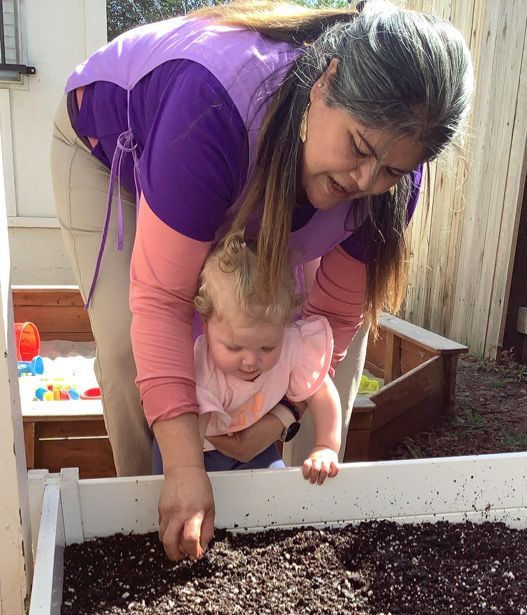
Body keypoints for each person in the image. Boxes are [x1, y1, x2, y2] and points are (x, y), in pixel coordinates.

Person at [51, 0, 473, 561]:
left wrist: (282, 417)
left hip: (258, 160)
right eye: (360, 148)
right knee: (134, 343)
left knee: (295, 334)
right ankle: (160, 516)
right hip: (115, 152)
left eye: (393, 170)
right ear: (326, 84)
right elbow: (163, 300)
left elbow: (333, 322)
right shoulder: (214, 106)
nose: (366, 180)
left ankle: (299, 523)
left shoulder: (386, 179)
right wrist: (184, 467)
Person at [152, 234, 341, 489]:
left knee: (276, 496)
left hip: (256, 449)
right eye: (234, 347)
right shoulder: (203, 368)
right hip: (196, 449)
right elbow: (190, 437)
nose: (251, 360)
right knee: (186, 500)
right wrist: (189, 475)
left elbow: (323, 392)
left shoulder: (293, 346)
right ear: (206, 327)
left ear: (284, 326)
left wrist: (326, 446)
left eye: (267, 346)